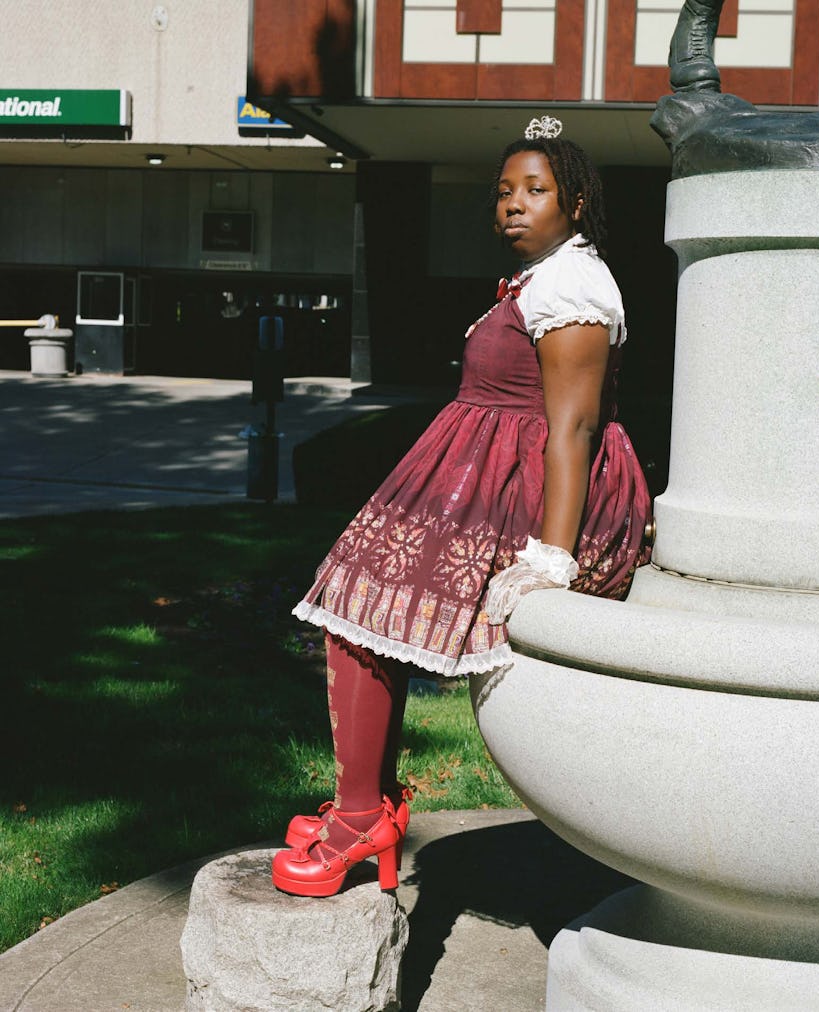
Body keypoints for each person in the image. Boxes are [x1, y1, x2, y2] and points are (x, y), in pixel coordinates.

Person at [271, 117, 651, 898]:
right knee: (357, 608)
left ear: (575, 202)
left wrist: (550, 556)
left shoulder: (574, 283)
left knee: (360, 612)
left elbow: (574, 425)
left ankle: (358, 821)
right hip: (485, 479)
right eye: (504, 192)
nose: (513, 205)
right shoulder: (541, 278)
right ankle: (362, 809)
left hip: (534, 499)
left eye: (535, 191)